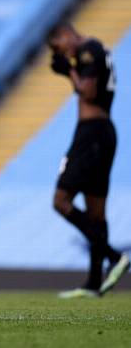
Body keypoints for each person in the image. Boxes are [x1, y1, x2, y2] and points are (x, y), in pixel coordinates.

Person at [48, 22, 128, 298]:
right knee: (95, 213)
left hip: (91, 135)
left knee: (61, 201)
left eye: (59, 46)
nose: (63, 53)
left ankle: (114, 257)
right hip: (103, 134)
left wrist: (68, 71)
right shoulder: (98, 50)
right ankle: (95, 283)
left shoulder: (87, 51)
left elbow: (89, 92)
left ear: (65, 34)